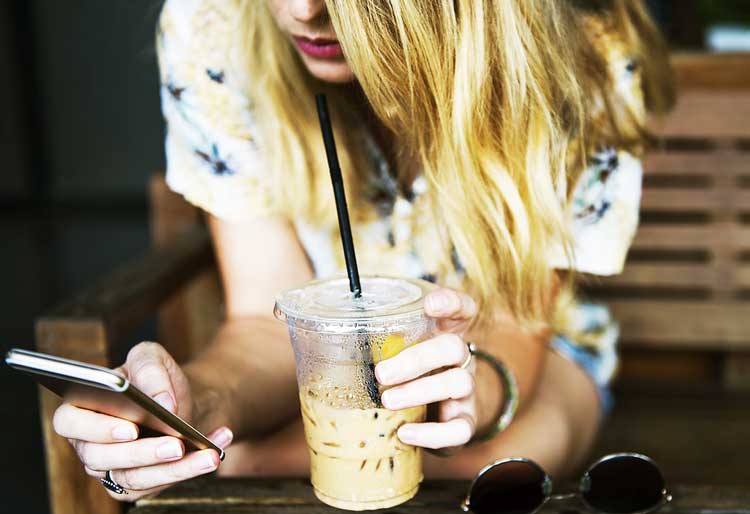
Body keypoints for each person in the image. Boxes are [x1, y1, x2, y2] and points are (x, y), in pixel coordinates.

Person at [52, 0, 674, 501]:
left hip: (527, 350)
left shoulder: (586, 52)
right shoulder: (213, 27)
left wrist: (471, 394)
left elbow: (518, 324)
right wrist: (192, 406)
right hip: (328, 366)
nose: (301, 10)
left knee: (494, 463)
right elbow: (262, 330)